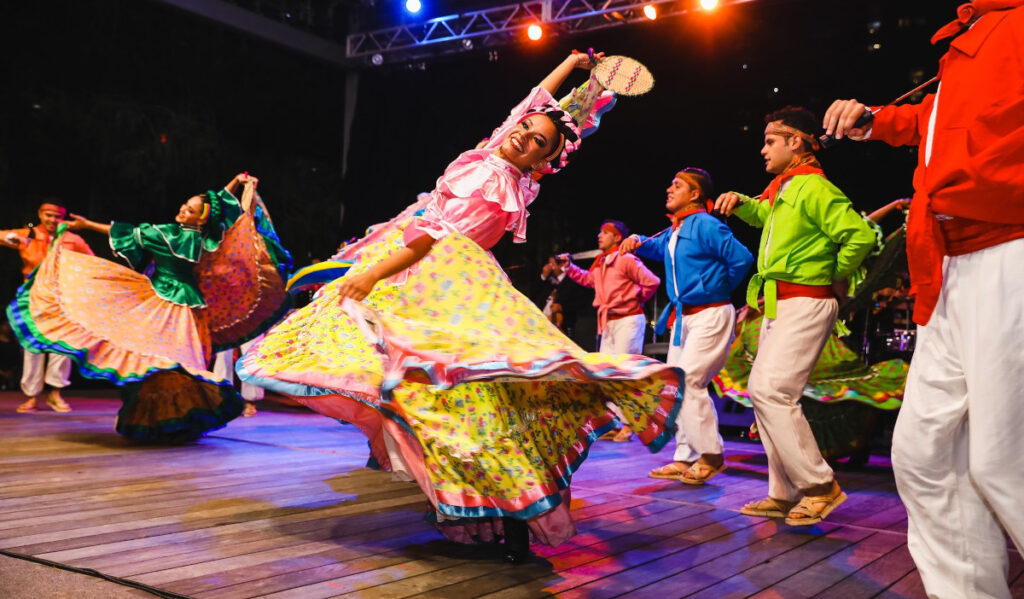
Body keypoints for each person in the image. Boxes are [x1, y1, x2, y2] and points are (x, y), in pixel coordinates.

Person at [238, 52, 682, 564]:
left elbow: (426, 239)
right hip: (449, 275)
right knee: (456, 390)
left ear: (543, 161)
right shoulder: (502, 162)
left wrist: (370, 272)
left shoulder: (490, 177)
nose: (523, 135)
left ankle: (500, 508)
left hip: (437, 276)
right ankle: (495, 511)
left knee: (444, 389)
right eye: (523, 128)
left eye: (537, 141)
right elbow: (537, 105)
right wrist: (574, 67)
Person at [823, 2, 1024, 595]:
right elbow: (951, 120)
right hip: (946, 269)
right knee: (925, 456)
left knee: (1005, 462)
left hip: (1010, 252)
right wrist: (877, 123)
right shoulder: (973, 35)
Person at [7, 174, 292, 441]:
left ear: (200, 218)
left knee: (179, 365)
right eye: (184, 205)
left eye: (190, 210)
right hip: (167, 302)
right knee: (165, 363)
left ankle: (176, 418)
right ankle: (154, 418)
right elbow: (215, 204)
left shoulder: (176, 235)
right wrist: (236, 183)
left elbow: (213, 207)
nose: (182, 210)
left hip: (182, 310)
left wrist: (241, 187)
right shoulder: (202, 237)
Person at [714, 106, 875, 525]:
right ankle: (783, 492)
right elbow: (768, 219)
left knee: (772, 391)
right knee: (763, 392)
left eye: (770, 141)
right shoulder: (786, 190)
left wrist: (832, 275)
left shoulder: (816, 189)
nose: (763, 150)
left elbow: (858, 236)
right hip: (778, 302)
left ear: (796, 141)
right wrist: (742, 204)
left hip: (805, 301)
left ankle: (820, 486)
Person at [621, 167, 753, 483]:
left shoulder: (705, 224)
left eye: (677, 185)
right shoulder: (677, 230)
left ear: (694, 194)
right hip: (685, 318)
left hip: (711, 313)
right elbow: (659, 247)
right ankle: (686, 457)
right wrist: (638, 240)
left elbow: (742, 258)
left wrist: (716, 287)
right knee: (675, 386)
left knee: (689, 380)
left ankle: (711, 454)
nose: (669, 189)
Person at [559, 219, 660, 442]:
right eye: (601, 231)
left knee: (624, 373)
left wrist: (633, 300)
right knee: (608, 375)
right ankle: (615, 422)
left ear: (617, 238)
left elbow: (651, 281)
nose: (600, 236)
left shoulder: (625, 259)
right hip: (609, 323)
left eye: (606, 232)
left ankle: (629, 424)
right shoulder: (602, 262)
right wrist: (569, 267)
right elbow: (588, 280)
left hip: (628, 320)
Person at [1, 199, 94, 413]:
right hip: (33, 299)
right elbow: (2, 236)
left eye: (57, 216)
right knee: (32, 346)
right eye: (48, 215)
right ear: (40, 215)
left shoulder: (73, 240)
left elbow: (91, 262)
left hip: (62, 300)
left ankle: (55, 394)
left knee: (62, 346)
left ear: (63, 218)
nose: (53, 220)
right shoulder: (29, 235)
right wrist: (10, 238)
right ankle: (31, 396)